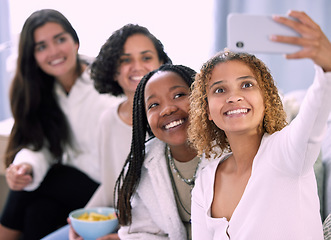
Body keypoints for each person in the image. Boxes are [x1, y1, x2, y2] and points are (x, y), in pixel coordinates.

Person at [188, 10, 331, 239]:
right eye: (220, 90)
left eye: (246, 85)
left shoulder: (287, 151)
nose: (233, 97)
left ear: (266, 98)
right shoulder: (206, 179)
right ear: (208, 112)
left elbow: (316, 112)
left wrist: (327, 66)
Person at [42, 24, 172, 240]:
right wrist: (81, 220)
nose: (136, 66)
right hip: (115, 222)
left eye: (146, 57)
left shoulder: (170, 121)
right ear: (113, 70)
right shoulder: (107, 120)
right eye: (125, 60)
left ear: (161, 64)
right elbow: (110, 186)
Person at [0, 9, 120, 240]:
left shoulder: (106, 86)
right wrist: (25, 168)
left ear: (75, 41)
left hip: (107, 190)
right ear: (32, 55)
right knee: (38, 213)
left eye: (60, 39)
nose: (53, 51)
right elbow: (41, 146)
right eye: (41, 46)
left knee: (46, 182)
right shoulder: (46, 92)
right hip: (69, 188)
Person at [115, 64, 203, 240]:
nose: (168, 109)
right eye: (154, 104)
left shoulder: (231, 151)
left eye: (178, 95)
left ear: (201, 97)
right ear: (145, 120)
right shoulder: (144, 165)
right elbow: (141, 232)